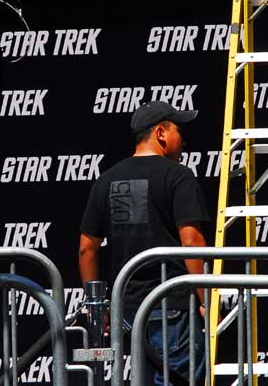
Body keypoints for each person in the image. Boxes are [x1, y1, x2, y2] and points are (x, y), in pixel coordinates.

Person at [78, 100, 209, 385]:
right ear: (161, 133)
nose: (184, 140)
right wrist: (205, 298)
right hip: (172, 306)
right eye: (179, 131)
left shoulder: (107, 180)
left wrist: (97, 307)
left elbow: (87, 248)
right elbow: (191, 241)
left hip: (126, 311)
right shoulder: (178, 176)